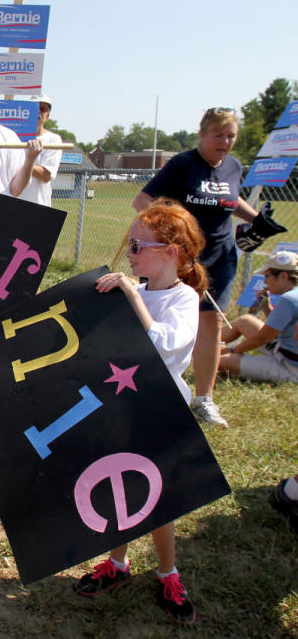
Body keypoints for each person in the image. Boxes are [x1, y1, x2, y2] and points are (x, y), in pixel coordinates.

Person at [77, 199, 208, 626]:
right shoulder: (134, 293)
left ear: (171, 252)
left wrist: (132, 295)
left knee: (157, 500)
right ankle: (117, 563)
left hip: (159, 411)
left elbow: (166, 343)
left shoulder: (183, 298)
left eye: (137, 245)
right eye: (129, 245)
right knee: (121, 488)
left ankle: (168, 572)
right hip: (122, 409)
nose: (129, 253)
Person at [134, 107, 282, 428]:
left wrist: (255, 218)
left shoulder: (233, 166)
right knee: (160, 321)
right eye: (218, 135)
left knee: (211, 323)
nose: (225, 141)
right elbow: (143, 201)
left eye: (231, 136)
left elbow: (229, 199)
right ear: (202, 134)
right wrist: (173, 234)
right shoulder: (183, 164)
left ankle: (204, 399)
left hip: (220, 255)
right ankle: (148, 387)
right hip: (181, 258)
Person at [218, 250, 298, 382]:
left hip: (290, 367)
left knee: (218, 361)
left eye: (267, 276)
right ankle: (202, 344)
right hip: (284, 350)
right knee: (246, 321)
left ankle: (205, 349)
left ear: (283, 276)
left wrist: (232, 350)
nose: (265, 282)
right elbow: (279, 329)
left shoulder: (288, 299)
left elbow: (263, 338)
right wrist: (266, 307)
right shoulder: (293, 296)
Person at [19, 95, 62, 207]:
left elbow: (46, 175)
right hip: (13, 202)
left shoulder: (53, 139)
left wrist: (25, 162)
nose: (38, 112)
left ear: (47, 115)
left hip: (39, 205)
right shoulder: (13, 137)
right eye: (34, 108)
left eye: (43, 109)